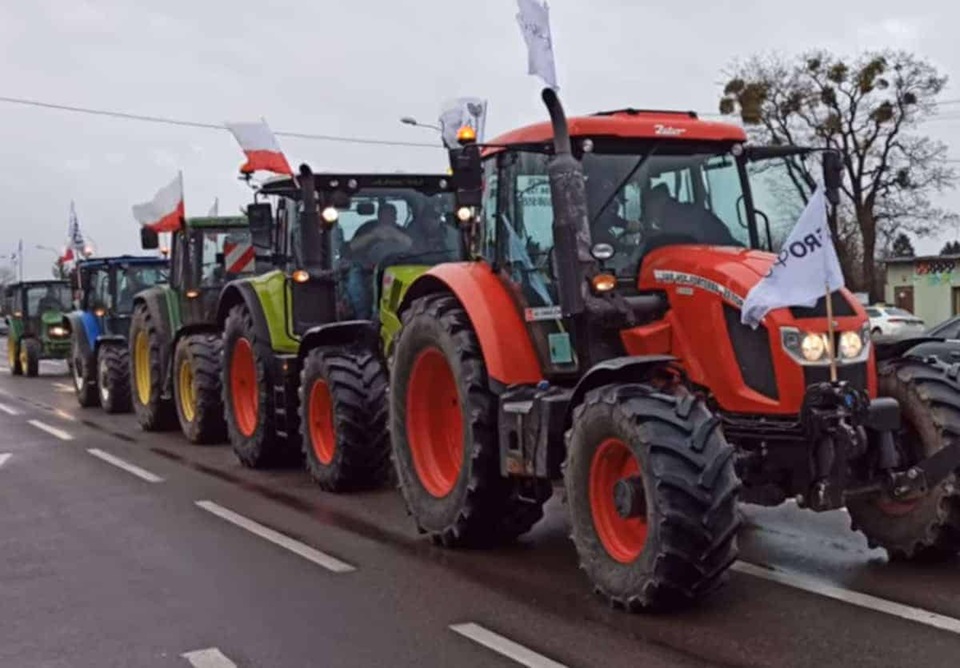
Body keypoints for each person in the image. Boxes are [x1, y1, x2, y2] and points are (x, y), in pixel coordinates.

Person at [644, 183, 739, 246]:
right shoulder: (684, 211)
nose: (648, 212)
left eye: (648, 206)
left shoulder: (673, 219)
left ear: (659, 201)